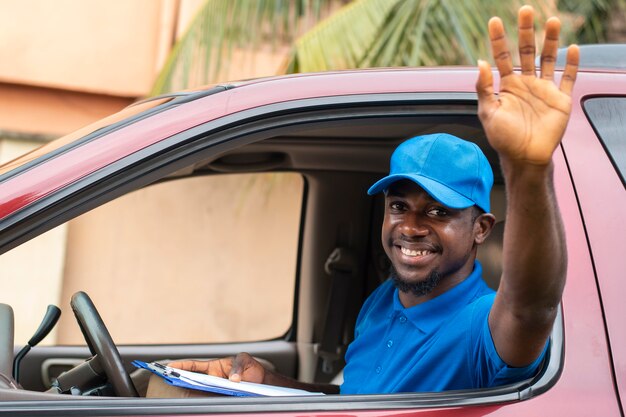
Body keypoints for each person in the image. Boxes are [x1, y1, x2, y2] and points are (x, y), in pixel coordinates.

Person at [164, 5, 579, 395]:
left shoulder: (480, 326)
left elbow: (530, 308)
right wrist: (269, 381)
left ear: (481, 229)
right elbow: (354, 403)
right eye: (399, 206)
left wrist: (528, 167)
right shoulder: (382, 302)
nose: (411, 227)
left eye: (438, 212)